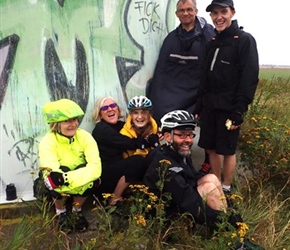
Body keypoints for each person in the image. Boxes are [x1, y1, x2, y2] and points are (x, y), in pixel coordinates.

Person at [143, 110, 265, 249]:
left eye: (190, 135)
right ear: (167, 136)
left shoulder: (176, 151)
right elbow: (191, 204)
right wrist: (228, 219)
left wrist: (230, 204)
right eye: (182, 135)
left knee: (212, 178)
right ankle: (230, 237)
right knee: (208, 188)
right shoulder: (164, 165)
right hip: (165, 219)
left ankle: (227, 233)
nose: (188, 140)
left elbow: (192, 177)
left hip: (179, 201)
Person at [195, 0, 259, 193]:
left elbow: (249, 78)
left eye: (223, 12)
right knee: (211, 147)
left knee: (227, 149)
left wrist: (239, 110)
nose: (218, 17)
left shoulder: (244, 40)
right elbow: (204, 77)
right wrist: (199, 106)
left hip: (230, 107)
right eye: (214, 14)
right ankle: (215, 185)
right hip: (209, 106)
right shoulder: (212, 42)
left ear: (232, 12)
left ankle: (227, 187)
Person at [147, 0, 215, 173]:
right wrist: (155, 95)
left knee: (209, 119)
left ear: (196, 11)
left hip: (198, 89)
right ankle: (173, 157)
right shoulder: (172, 38)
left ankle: (208, 160)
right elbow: (162, 70)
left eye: (189, 10)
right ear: (176, 14)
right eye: (182, 10)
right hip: (175, 88)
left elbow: (212, 68)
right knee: (161, 111)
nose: (186, 13)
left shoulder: (208, 34)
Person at [39, 99, 102, 233]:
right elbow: (53, 177)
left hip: (69, 178)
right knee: (55, 179)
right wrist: (80, 178)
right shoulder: (47, 142)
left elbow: (96, 168)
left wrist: (67, 179)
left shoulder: (85, 137)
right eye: (67, 121)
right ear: (56, 124)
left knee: (93, 180)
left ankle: (76, 210)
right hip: (61, 179)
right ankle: (61, 212)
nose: (73, 124)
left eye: (75, 120)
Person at [92, 96, 149, 205]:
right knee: (138, 160)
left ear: (118, 109)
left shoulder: (120, 126)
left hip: (118, 169)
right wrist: (147, 141)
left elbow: (138, 129)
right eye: (105, 108)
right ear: (100, 114)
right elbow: (129, 143)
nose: (110, 109)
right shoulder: (101, 129)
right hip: (106, 175)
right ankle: (114, 199)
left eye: (113, 106)